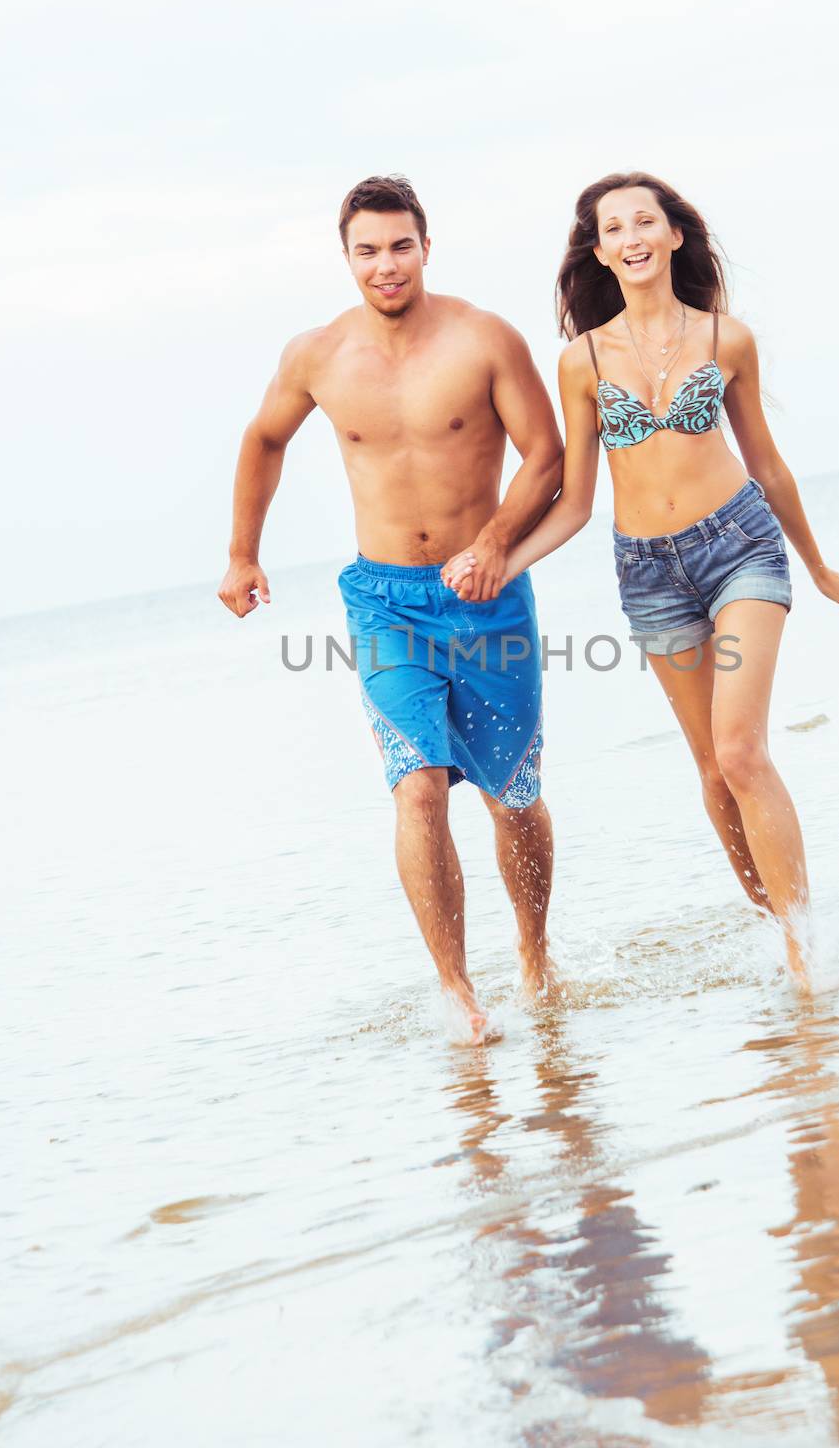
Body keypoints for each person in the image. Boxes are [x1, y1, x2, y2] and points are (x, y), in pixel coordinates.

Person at [443, 171, 839, 985]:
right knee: (711, 769)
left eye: (646, 221)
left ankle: (804, 950)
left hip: (739, 546)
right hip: (649, 573)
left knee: (741, 751)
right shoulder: (581, 361)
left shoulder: (726, 339)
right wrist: (503, 561)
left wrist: (817, 567)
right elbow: (573, 504)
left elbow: (767, 466)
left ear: (674, 235)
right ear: (599, 252)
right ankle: (772, 926)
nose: (633, 238)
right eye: (615, 229)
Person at [218, 175, 564, 1041]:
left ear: (426, 245)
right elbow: (264, 438)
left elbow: (546, 454)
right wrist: (241, 552)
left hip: (486, 595)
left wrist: (492, 542)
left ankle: (533, 950)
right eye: (367, 250)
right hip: (385, 602)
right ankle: (458, 994)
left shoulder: (484, 338)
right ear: (346, 257)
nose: (385, 264)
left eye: (399, 245)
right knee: (416, 792)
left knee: (512, 797)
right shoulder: (318, 355)